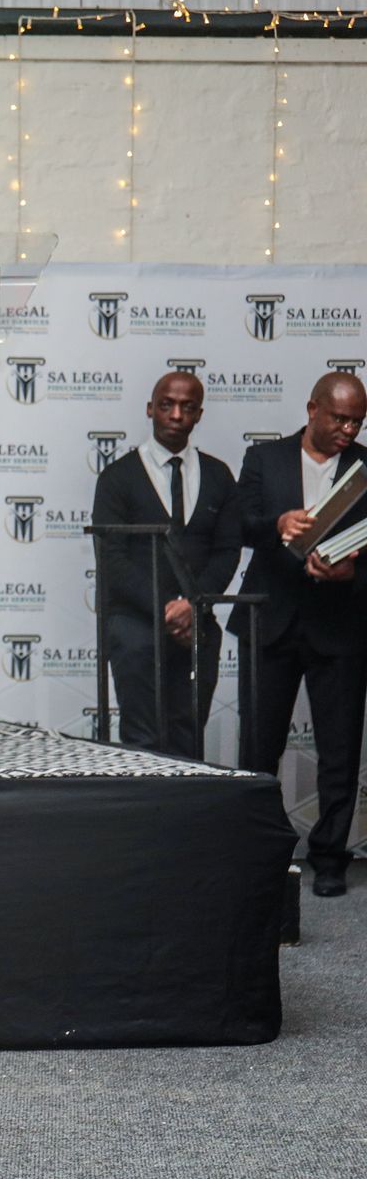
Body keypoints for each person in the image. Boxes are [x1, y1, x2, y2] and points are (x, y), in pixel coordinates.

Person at [233, 370, 367, 898]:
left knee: (340, 752)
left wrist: (351, 573)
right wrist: (277, 525)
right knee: (258, 748)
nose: (348, 430)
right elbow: (239, 524)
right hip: (271, 621)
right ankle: (256, 852)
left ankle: (330, 859)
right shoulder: (263, 459)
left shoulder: (365, 467)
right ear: (312, 410)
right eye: (340, 418)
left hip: (340, 626)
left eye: (357, 421)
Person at [90, 371, 241, 758]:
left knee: (189, 741)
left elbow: (227, 552)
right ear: (150, 409)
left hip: (198, 626)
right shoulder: (117, 477)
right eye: (166, 405)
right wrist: (167, 609)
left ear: (199, 414)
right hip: (135, 628)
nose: (176, 415)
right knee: (141, 744)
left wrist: (192, 605)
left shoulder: (219, 475)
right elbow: (112, 559)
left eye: (187, 407)